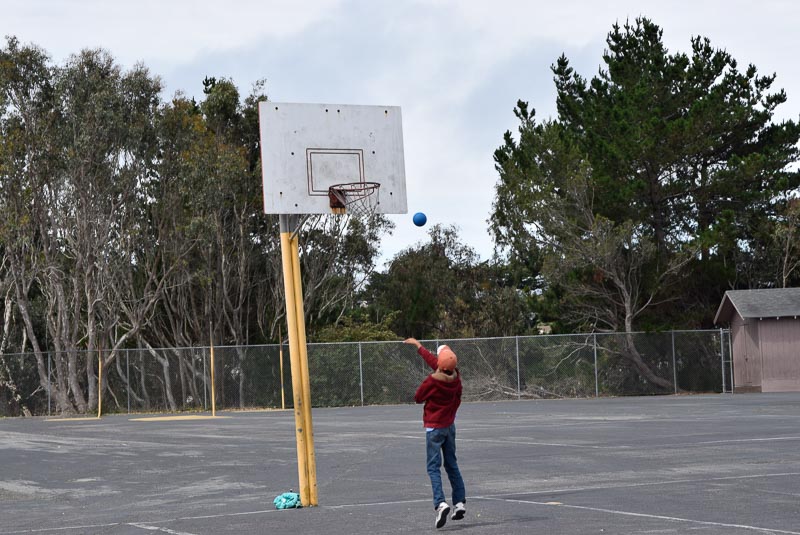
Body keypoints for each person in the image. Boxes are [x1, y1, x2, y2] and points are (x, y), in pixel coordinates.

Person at [404, 337, 466, 529]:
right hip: (449, 426)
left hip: (434, 427)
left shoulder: (432, 381)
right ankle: (459, 502)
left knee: (433, 467)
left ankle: (440, 503)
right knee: (451, 464)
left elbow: (418, 397)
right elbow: (438, 365)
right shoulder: (455, 377)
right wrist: (419, 347)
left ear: (440, 365)